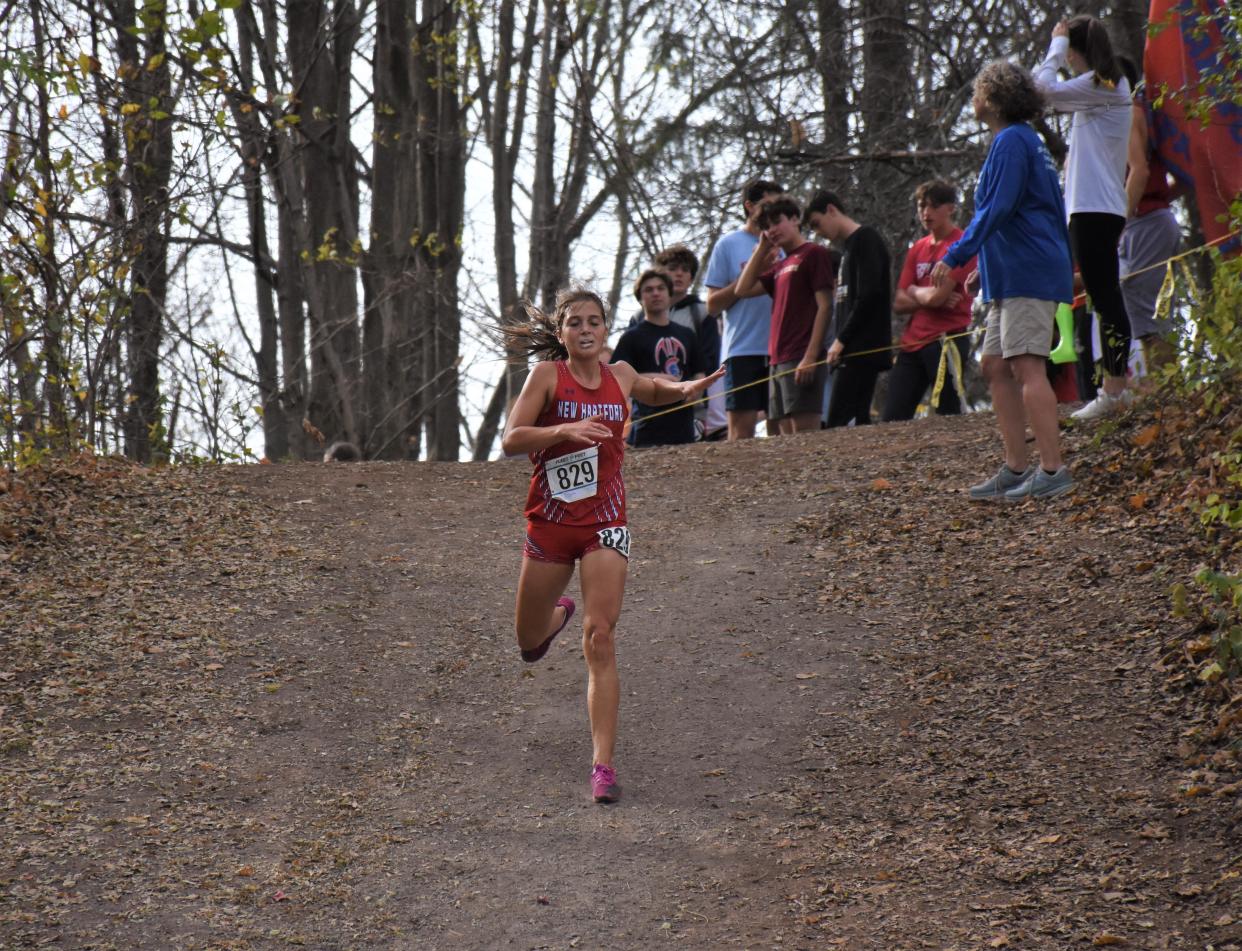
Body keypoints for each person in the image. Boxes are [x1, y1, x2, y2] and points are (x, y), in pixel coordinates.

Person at [501, 287, 724, 804]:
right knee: (528, 642)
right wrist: (562, 430)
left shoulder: (619, 375)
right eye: (575, 322)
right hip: (551, 524)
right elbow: (512, 439)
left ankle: (602, 766)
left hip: (605, 522)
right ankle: (552, 619)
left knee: (600, 635)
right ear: (562, 334)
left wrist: (690, 386)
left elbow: (653, 388)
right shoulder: (546, 378)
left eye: (594, 321)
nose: (585, 329)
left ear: (605, 330)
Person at [931, 60, 1075, 500]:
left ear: (992, 98)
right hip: (1012, 272)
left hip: (1029, 271)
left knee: (1027, 365)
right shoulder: (1016, 141)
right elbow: (1022, 211)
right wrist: (983, 267)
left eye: (977, 92)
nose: (972, 100)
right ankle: (1015, 468)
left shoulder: (1014, 140)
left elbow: (999, 208)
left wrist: (958, 254)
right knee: (995, 365)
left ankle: (1053, 471)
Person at [1033, 15, 1135, 420]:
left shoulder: (1105, 85)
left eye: (1069, 54)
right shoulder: (1098, 86)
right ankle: (1113, 387)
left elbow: (1040, 93)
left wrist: (1054, 46)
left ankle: (1114, 390)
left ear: (1076, 51)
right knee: (1102, 296)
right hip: (1091, 208)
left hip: (1096, 209)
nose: (1067, 62)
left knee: (1106, 297)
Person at [732, 194, 834, 434]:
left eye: (777, 222)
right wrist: (762, 248)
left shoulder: (814, 253)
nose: (772, 230)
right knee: (783, 439)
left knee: (805, 437)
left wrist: (810, 357)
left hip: (802, 356)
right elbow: (742, 289)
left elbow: (825, 306)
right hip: (777, 360)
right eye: (766, 227)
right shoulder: (779, 265)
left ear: (795, 218)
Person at [883, 181, 977, 421]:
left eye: (934, 206)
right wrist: (922, 294)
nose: (926, 213)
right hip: (912, 342)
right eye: (922, 206)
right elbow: (899, 302)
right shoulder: (918, 248)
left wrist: (915, 290)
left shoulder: (961, 245)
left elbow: (937, 298)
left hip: (946, 340)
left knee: (949, 414)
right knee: (893, 416)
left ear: (951, 209)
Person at [704, 178, 784, 440]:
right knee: (741, 432)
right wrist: (750, 276)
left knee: (781, 428)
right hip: (742, 349)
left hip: (781, 348)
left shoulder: (783, 244)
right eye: (767, 205)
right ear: (749, 206)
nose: (773, 213)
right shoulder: (728, 244)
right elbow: (712, 305)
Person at [805, 190, 893, 427]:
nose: (818, 233)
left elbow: (869, 294)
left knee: (839, 423)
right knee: (855, 422)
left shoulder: (867, 239)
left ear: (831, 210)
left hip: (862, 350)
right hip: (848, 353)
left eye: (817, 223)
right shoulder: (846, 251)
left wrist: (841, 340)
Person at [1117, 55, 1182, 374]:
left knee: (1148, 312)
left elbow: (1139, 172)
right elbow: (1180, 176)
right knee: (1145, 309)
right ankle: (1164, 388)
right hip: (1153, 217)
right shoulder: (1143, 113)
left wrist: (1122, 220)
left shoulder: (1129, 113)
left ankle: (1168, 392)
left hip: (1144, 221)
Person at [627, 244, 727, 439]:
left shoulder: (702, 313)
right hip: (646, 410)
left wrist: (691, 390)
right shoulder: (638, 318)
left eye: (685, 270)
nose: (679, 274)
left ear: (691, 277)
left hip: (690, 406)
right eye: (672, 269)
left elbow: (708, 361)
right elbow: (627, 367)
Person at [610, 269, 705, 447]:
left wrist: (696, 390)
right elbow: (614, 376)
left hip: (684, 426)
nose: (655, 293)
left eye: (660, 288)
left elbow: (699, 372)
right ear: (640, 298)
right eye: (649, 289)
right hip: (646, 427)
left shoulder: (687, 334)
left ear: (669, 294)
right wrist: (655, 378)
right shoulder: (631, 337)